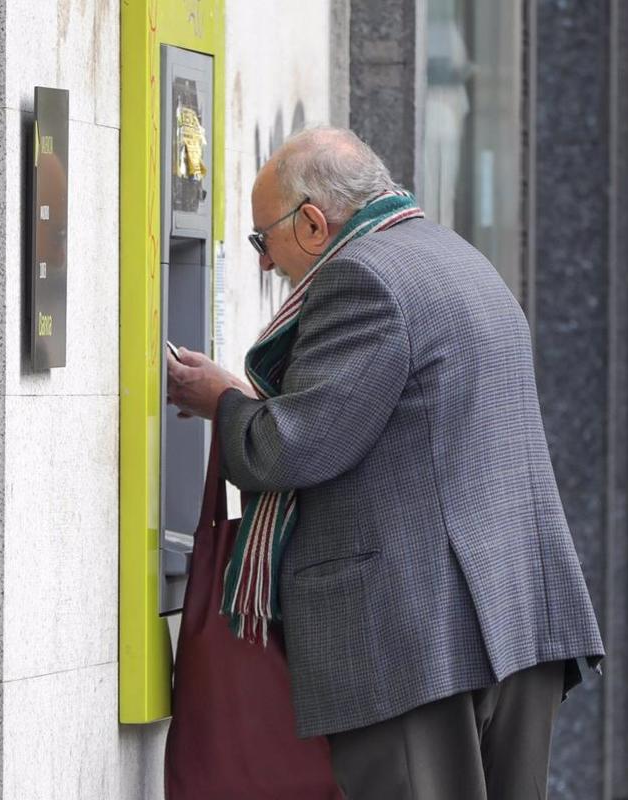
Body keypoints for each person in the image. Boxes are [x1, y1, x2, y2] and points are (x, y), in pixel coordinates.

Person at [165, 127, 605, 798]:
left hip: (418, 638)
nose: (265, 262)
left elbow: (292, 448)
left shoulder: (360, 278)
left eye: (263, 239)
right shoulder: (455, 257)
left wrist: (221, 402)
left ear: (313, 223)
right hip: (513, 617)